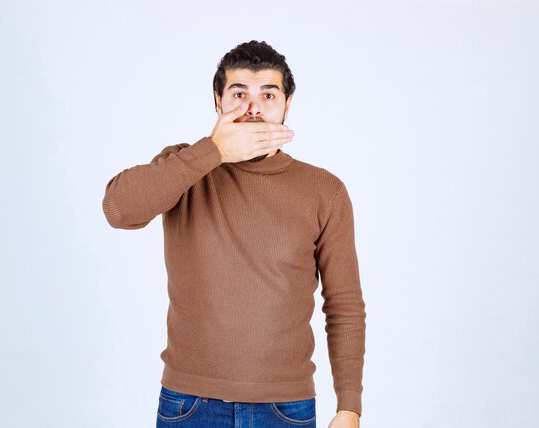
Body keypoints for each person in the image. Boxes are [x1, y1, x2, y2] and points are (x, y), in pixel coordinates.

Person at [102, 40, 366, 428]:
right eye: (239, 94)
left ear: (287, 104)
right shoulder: (185, 167)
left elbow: (344, 304)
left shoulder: (324, 190)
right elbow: (119, 210)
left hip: (286, 408)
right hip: (190, 404)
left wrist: (349, 406)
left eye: (268, 95)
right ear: (218, 101)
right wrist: (211, 150)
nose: (253, 108)